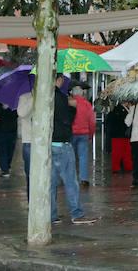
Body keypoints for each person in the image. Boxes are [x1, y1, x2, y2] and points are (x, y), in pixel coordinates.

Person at [50, 74, 97, 225]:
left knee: (51, 183)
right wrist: (73, 109)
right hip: (63, 142)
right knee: (70, 180)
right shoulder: (62, 98)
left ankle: (51, 214)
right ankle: (76, 213)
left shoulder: (45, 96)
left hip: (50, 143)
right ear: (58, 80)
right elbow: (67, 119)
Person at [70, 82, 95, 186]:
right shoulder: (87, 104)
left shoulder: (70, 102)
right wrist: (91, 134)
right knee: (83, 156)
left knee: (70, 157)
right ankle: (83, 178)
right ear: (82, 93)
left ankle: (70, 177)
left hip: (71, 133)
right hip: (84, 133)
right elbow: (92, 121)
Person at [0, 100, 18, 177]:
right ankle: (4, 169)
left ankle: (7, 165)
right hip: (1, 130)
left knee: (10, 150)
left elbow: (16, 115)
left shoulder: (14, 103)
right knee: (2, 150)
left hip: (12, 129)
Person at [106, 101, 132, 173]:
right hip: (121, 134)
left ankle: (118, 167)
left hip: (117, 134)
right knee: (124, 152)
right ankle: (126, 166)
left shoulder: (115, 110)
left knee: (119, 152)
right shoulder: (121, 110)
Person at [17, 91, 33, 192]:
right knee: (30, 174)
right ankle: (31, 201)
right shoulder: (24, 97)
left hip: (44, 141)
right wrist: (33, 98)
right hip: (29, 140)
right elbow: (22, 113)